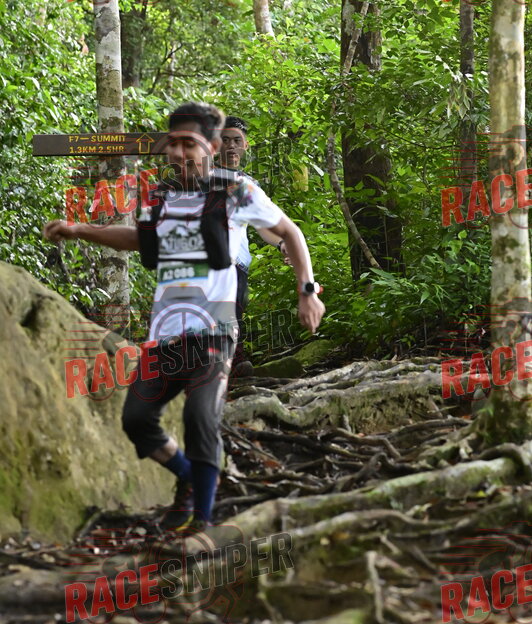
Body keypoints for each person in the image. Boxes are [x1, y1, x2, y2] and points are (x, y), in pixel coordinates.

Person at [43, 101, 325, 534]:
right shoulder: (160, 197)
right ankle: (192, 479)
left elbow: (289, 231)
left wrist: (306, 291)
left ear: (210, 146)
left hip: (215, 328)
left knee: (199, 417)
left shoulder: (235, 190)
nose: (177, 152)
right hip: (165, 331)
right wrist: (80, 228)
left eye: (188, 144)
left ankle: (203, 526)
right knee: (136, 419)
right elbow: (135, 240)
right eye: (172, 143)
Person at [216, 116, 289, 376]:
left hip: (238, 262)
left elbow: (263, 226)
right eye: (225, 140)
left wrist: (282, 243)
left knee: (234, 313)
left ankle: (234, 366)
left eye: (237, 141)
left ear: (245, 145)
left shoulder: (249, 185)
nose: (231, 146)